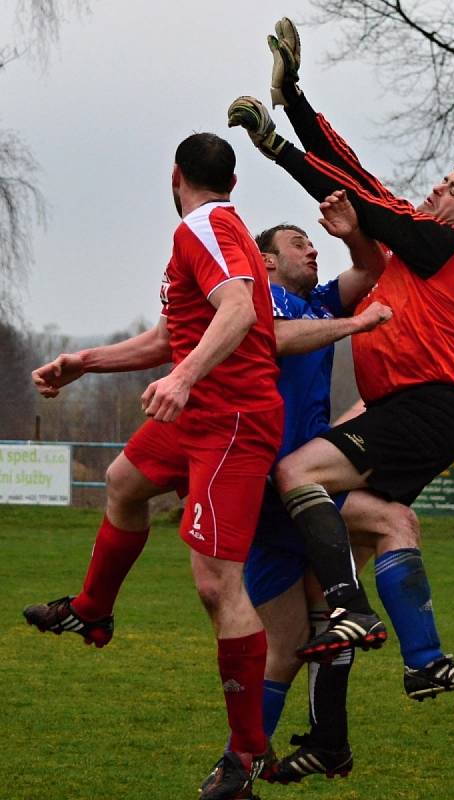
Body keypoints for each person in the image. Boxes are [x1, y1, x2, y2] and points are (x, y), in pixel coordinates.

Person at [226, 17, 454, 698]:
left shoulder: (447, 245)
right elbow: (352, 174)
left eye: (452, 191)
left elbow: (359, 199)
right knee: (386, 523)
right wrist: (293, 103)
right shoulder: (420, 234)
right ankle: (420, 665)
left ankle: (354, 611)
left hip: (422, 408)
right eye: (441, 181)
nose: (437, 191)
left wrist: (278, 150)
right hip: (405, 411)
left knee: (296, 470)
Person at [24, 133, 284, 800]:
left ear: (176, 177)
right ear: (231, 178)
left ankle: (246, 757)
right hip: (199, 416)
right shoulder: (207, 233)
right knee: (121, 482)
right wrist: (84, 362)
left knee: (216, 583)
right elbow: (173, 336)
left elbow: (240, 306)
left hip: (232, 421)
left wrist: (185, 379)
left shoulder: (206, 224)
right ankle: (93, 609)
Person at [245, 213, 391, 783]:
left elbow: (371, 266)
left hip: (314, 491)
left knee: (330, 621)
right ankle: (245, 757)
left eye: (312, 244)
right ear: (268, 262)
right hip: (266, 489)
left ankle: (327, 740)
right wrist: (356, 325)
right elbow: (280, 340)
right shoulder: (261, 303)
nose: (311, 250)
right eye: (297, 244)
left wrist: (350, 229)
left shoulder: (324, 303)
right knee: (283, 644)